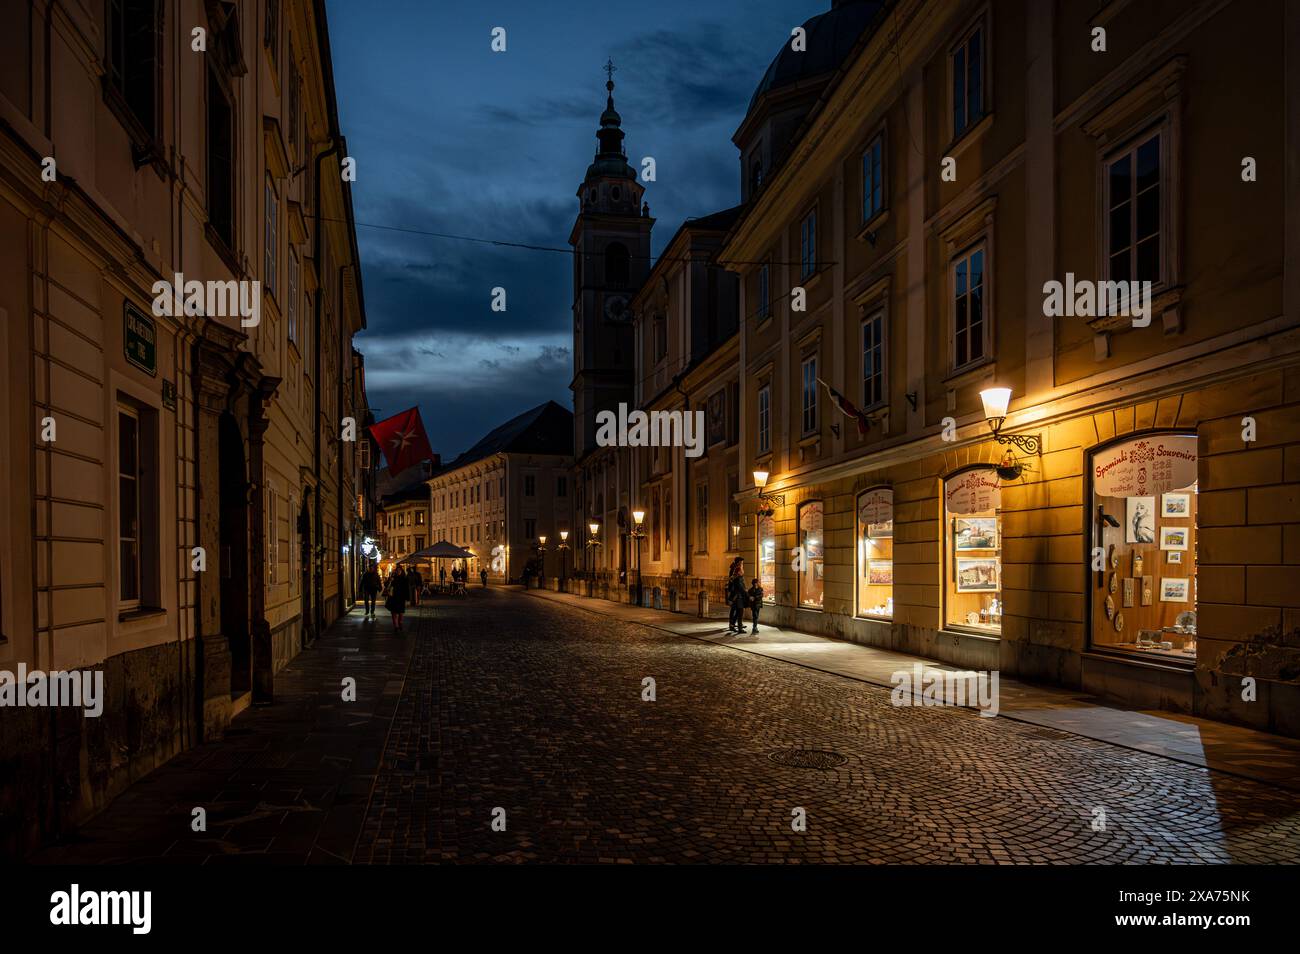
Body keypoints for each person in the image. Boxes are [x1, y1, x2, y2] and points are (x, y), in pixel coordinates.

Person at [384, 566, 410, 632]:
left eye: (399, 570)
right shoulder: (393, 578)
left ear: (401, 571)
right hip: (393, 597)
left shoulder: (404, 579)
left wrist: (407, 597)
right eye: (397, 570)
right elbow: (386, 586)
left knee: (401, 612)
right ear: (395, 571)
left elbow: (407, 589)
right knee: (394, 612)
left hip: (401, 597)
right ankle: (396, 626)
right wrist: (390, 580)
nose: (398, 571)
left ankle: (400, 623)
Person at [726, 558, 746, 634]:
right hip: (736, 595)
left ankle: (734, 624)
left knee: (737, 610)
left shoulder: (736, 571)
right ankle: (733, 625)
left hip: (736, 594)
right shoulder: (736, 571)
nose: (742, 564)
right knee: (736, 610)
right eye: (741, 563)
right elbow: (736, 584)